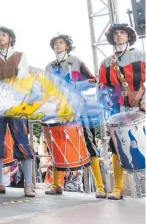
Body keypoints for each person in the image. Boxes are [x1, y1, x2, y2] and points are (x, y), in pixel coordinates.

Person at [44, 34, 106, 198]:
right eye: (55, 43)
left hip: (79, 109)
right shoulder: (49, 67)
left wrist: (72, 86)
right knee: (56, 145)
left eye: (61, 43)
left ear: (67, 46)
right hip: (58, 111)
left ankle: (99, 186)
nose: (58, 45)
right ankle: (56, 183)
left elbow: (92, 80)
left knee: (89, 143)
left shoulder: (75, 61)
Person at [0, 26, 35, 197]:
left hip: (15, 105)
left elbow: (22, 80)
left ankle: (28, 184)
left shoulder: (20, 56)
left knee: (22, 141)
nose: (0, 37)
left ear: (10, 38)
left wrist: (11, 96)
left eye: (3, 35)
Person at [98, 24, 145, 200]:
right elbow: (102, 86)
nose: (119, 36)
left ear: (129, 36)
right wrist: (105, 101)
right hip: (119, 111)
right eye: (116, 33)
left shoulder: (141, 55)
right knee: (117, 146)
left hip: (142, 106)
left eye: (122, 33)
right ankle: (117, 188)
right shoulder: (106, 63)